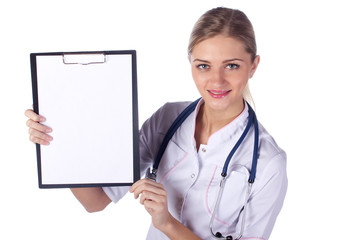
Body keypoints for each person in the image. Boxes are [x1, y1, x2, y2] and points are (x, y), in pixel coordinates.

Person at [25, 7, 287, 240]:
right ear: (190, 64)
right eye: (204, 66)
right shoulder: (167, 120)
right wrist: (60, 137)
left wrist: (168, 224)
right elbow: (95, 201)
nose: (216, 81)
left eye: (231, 66)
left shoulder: (267, 162)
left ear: (253, 66)